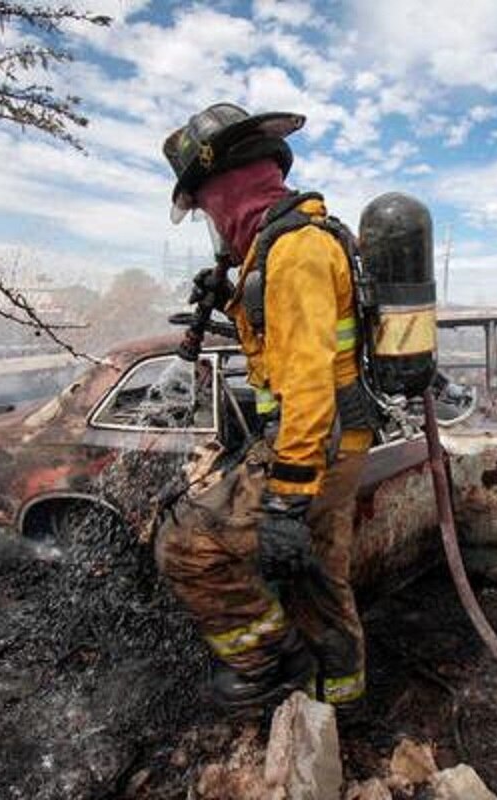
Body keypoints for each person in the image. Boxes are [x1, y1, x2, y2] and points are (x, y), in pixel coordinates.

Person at [154, 103, 375, 711]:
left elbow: (305, 384)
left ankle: (268, 662)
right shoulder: (291, 243)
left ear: (225, 191)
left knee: (187, 546)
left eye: (206, 208)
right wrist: (230, 300)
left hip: (313, 444)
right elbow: (283, 344)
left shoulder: (295, 251)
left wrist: (286, 497)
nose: (213, 225)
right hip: (339, 441)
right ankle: (339, 701)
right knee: (317, 580)